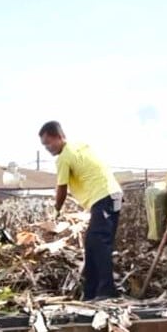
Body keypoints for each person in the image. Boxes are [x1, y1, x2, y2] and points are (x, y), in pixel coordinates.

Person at [39, 121, 123, 300]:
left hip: (103, 198)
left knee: (99, 243)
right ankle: (91, 292)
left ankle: (107, 291)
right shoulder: (80, 146)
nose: (47, 148)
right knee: (92, 244)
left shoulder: (63, 158)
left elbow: (61, 189)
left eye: (48, 143)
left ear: (59, 137)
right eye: (44, 145)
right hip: (111, 195)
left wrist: (57, 211)